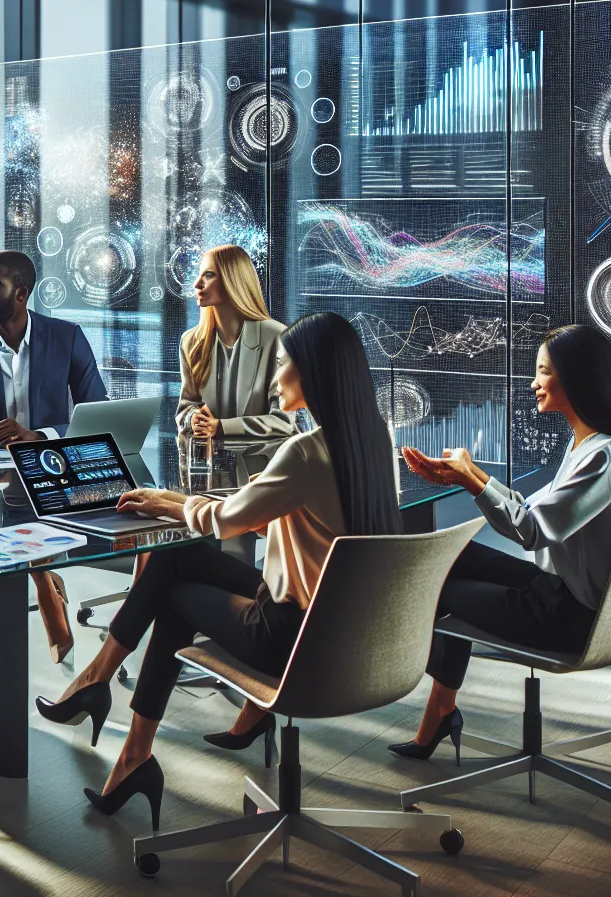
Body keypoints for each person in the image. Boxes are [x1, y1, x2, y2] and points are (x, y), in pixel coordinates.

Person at [34, 311, 400, 827]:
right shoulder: (372, 441)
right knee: (177, 556)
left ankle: (118, 722)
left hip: (293, 637)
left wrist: (170, 503)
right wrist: (205, 507)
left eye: (283, 364)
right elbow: (303, 523)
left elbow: (227, 518)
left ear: (312, 373)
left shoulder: (305, 452)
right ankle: (108, 703)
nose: (275, 378)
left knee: (175, 588)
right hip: (351, 629)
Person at [388, 323, 611, 761]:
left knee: (434, 588)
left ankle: (437, 710)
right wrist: (471, 474)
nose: (534, 383)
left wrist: (473, 483)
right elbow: (532, 509)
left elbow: (532, 531)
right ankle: (442, 711)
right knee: (446, 556)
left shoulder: (604, 456)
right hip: (556, 591)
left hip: (567, 615)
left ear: (575, 377)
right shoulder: (591, 445)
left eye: (543, 372)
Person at [0, 250, 108, 664]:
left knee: (28, 501)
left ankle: (42, 577)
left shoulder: (65, 337)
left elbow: (97, 413)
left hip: (48, 463)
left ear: (20, 293)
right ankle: (43, 578)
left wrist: (39, 437)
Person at [176, 245, 294, 441]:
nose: (197, 284)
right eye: (199, 275)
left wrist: (222, 427)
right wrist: (193, 418)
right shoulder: (191, 342)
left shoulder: (277, 337)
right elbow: (186, 407)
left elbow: (284, 420)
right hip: (210, 462)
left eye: (209, 275)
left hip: (267, 464)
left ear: (234, 280)